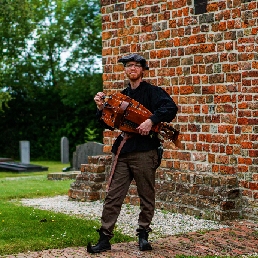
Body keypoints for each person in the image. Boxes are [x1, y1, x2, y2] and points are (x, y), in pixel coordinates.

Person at [87, 53, 178, 253]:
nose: (132, 69)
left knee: (146, 195)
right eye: (129, 66)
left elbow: (170, 108)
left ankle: (143, 235)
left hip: (146, 150)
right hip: (124, 150)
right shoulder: (121, 96)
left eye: (136, 66)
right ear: (126, 70)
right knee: (113, 196)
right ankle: (104, 239)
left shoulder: (153, 92)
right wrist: (101, 108)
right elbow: (108, 124)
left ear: (142, 70)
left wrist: (151, 120)